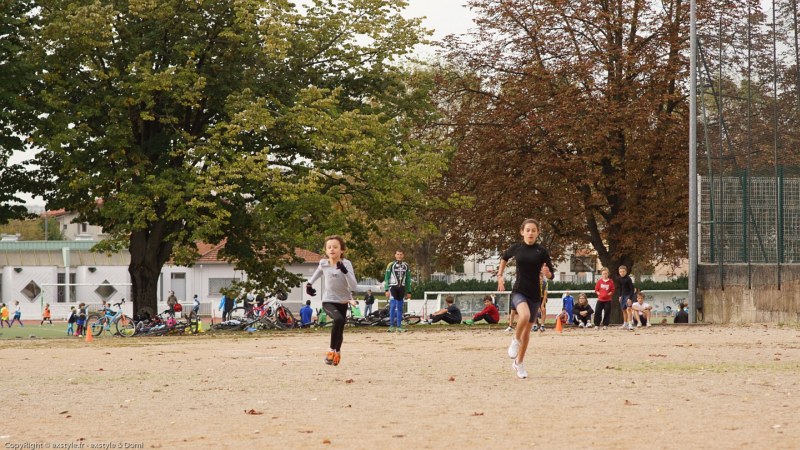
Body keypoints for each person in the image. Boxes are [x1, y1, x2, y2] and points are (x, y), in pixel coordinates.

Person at [498, 218, 555, 379]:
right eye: (527, 230)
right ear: (522, 232)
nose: (530, 233)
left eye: (533, 230)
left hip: (535, 294)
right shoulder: (517, 248)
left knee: (528, 332)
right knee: (524, 315)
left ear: (538, 233)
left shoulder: (541, 252)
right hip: (519, 291)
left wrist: (547, 273)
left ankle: (519, 363)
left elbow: (551, 274)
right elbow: (504, 257)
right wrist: (500, 275)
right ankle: (515, 340)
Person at [306, 235, 358, 366]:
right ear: (325, 250)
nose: (332, 249)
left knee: (340, 328)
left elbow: (353, 286)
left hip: (344, 301)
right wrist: (309, 284)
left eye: (335, 247)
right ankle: (330, 350)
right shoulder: (323, 263)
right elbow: (317, 273)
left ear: (342, 250)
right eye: (329, 247)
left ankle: (337, 351)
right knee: (338, 319)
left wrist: (345, 271)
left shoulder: (346, 264)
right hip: (329, 300)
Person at [384, 249, 412, 333]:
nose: (399, 256)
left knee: (400, 307)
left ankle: (399, 326)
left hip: (402, 288)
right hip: (393, 287)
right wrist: (386, 289)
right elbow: (386, 278)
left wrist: (409, 291)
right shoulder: (391, 265)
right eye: (398, 254)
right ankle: (391, 326)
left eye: (401, 254)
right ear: (395, 255)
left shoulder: (406, 265)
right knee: (392, 307)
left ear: (403, 255)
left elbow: (408, 279)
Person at [617, 265, 635, 330]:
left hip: (628, 295)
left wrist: (630, 298)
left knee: (628, 309)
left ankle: (630, 324)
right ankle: (625, 324)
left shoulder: (628, 279)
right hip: (623, 296)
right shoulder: (619, 279)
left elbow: (632, 289)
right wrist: (620, 296)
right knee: (623, 310)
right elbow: (620, 288)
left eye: (623, 271)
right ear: (619, 272)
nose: (622, 273)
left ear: (626, 272)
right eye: (620, 271)